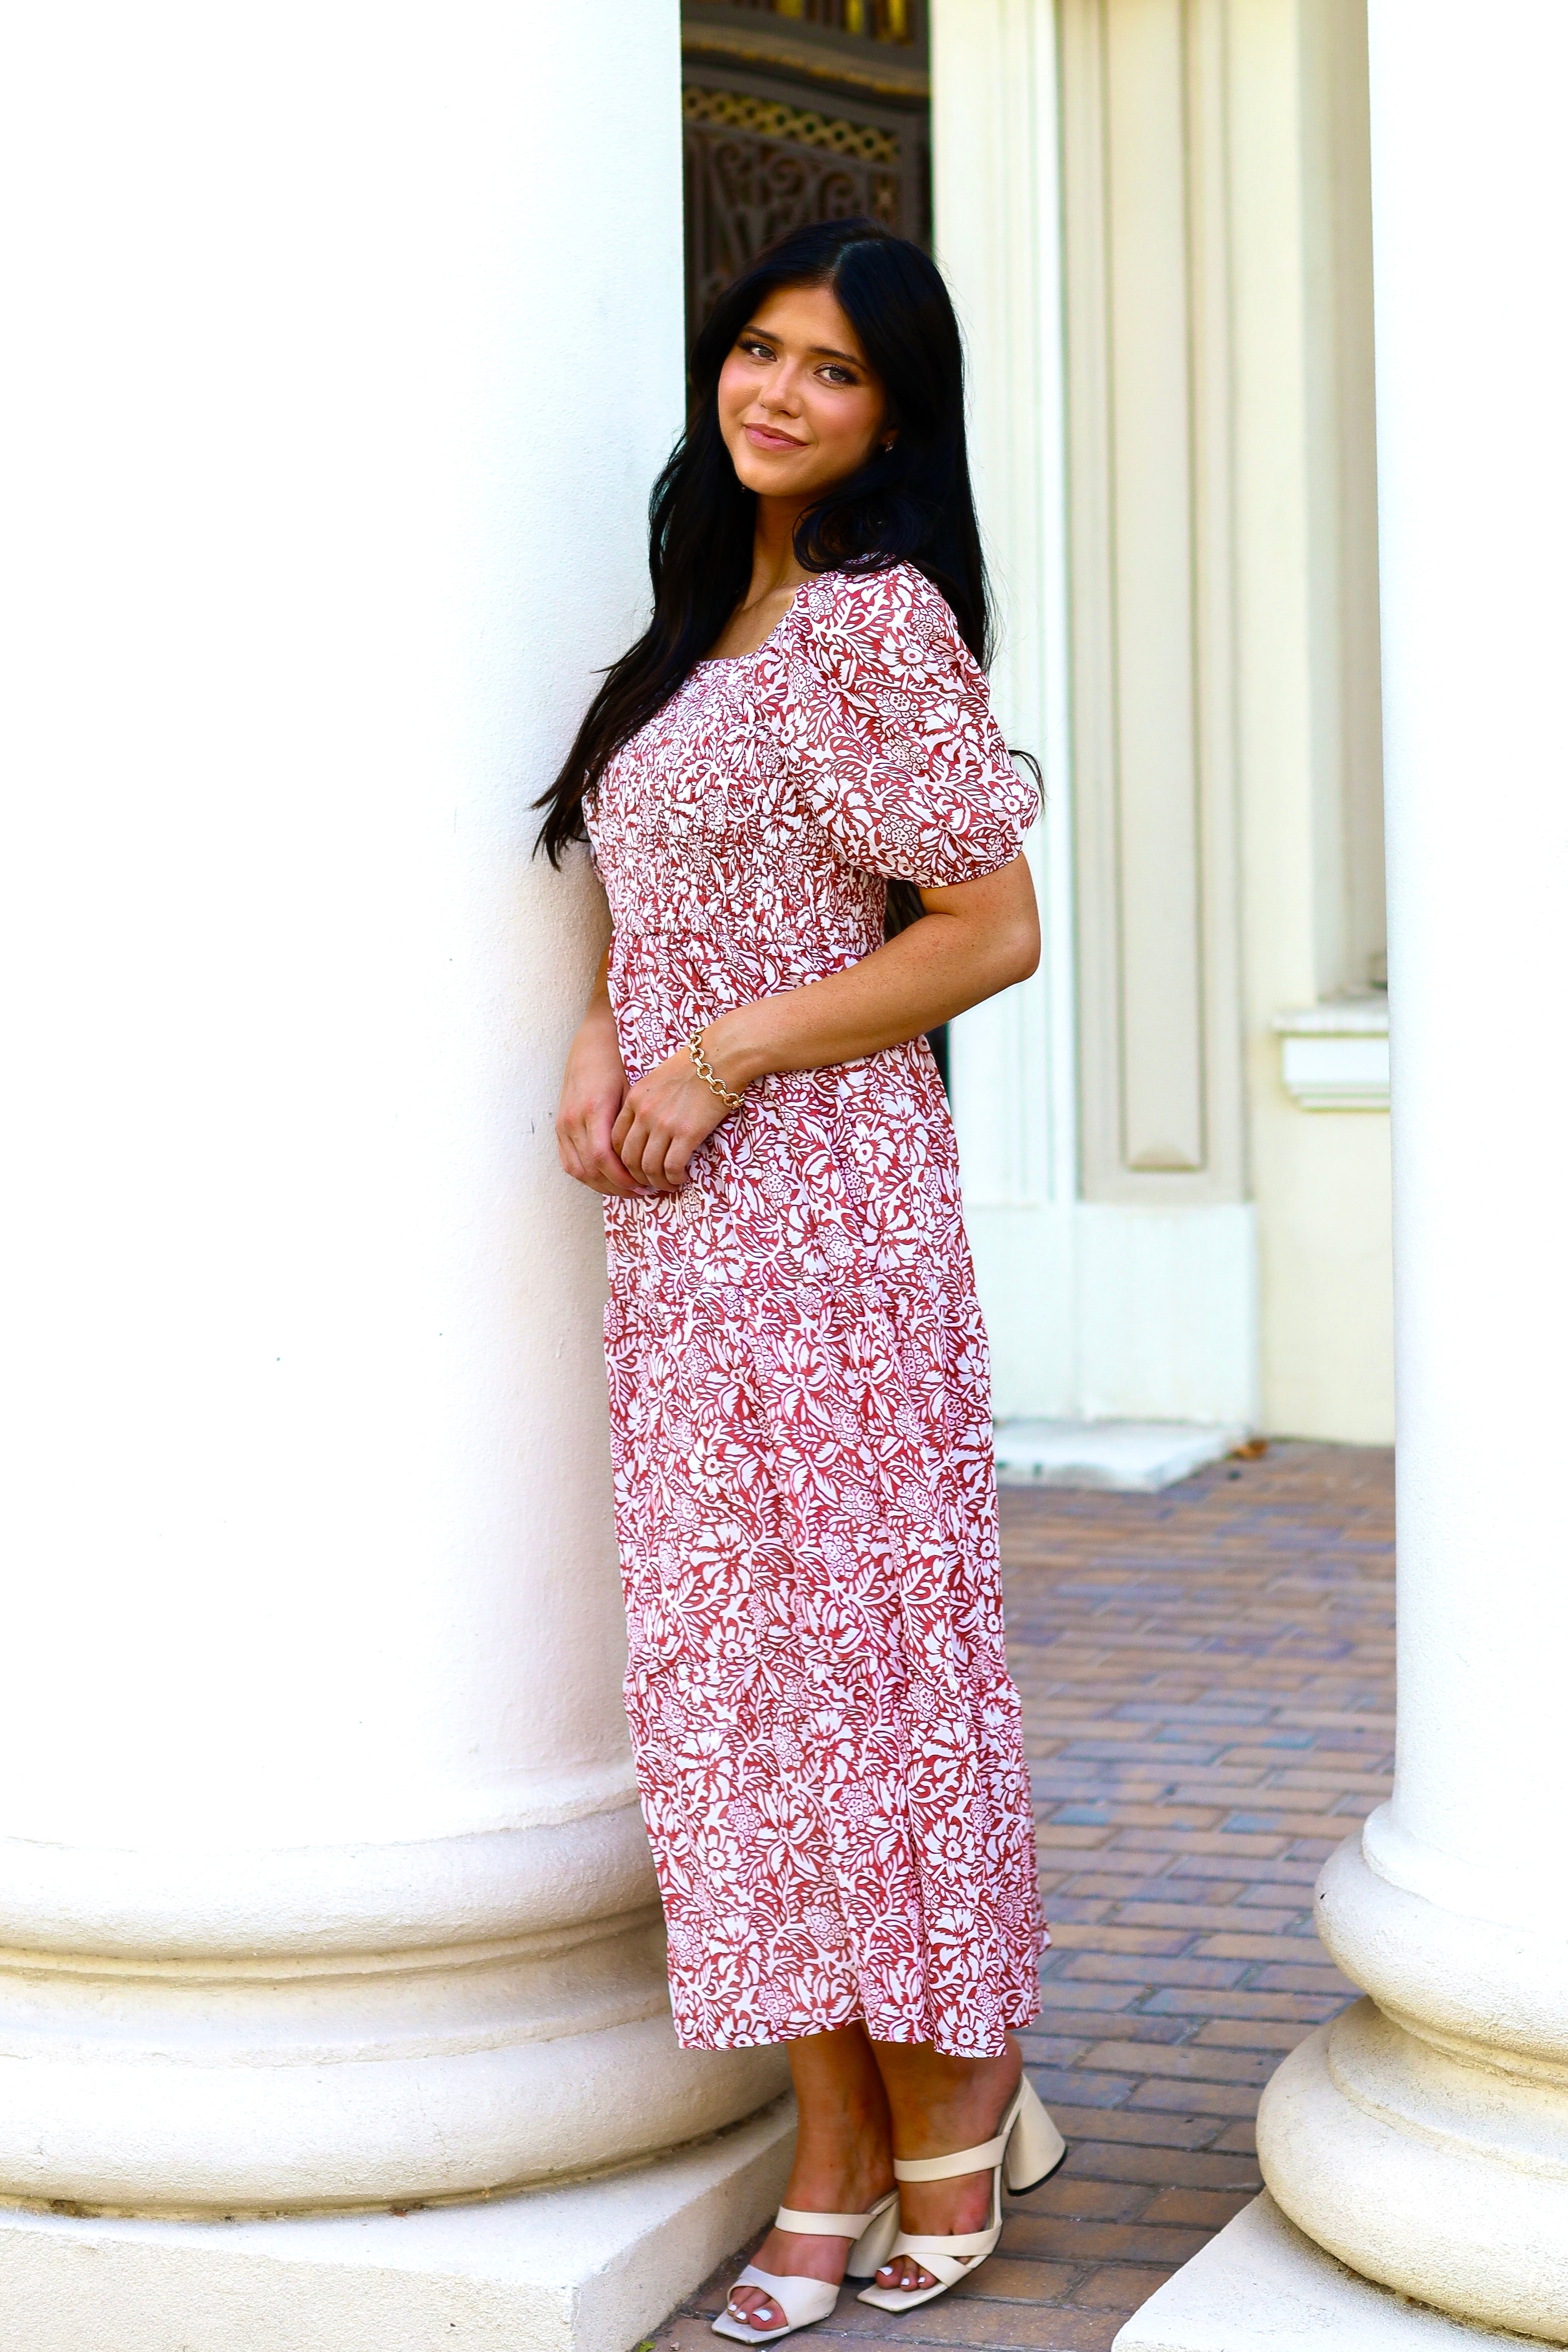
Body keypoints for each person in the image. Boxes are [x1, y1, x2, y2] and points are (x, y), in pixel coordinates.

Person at [541, 218, 1061, 2343]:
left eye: (831, 370)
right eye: (757, 348)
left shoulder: (872, 622)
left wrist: (720, 1053)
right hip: (683, 1235)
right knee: (739, 1698)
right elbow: (646, 896)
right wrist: (606, 1037)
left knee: (866, 1680)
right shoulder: (699, 624)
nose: (775, 392)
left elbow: (988, 929)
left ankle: (947, 2099)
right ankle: (834, 2134)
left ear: (893, 417)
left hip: (832, 1214)